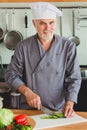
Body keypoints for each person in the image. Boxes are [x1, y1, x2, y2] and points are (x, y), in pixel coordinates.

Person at [5, 2, 81, 118]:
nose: (48, 28)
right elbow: (11, 74)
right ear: (34, 23)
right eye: (42, 23)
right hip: (28, 109)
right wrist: (27, 92)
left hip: (57, 109)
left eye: (51, 23)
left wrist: (70, 101)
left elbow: (74, 78)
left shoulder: (68, 47)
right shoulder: (23, 47)